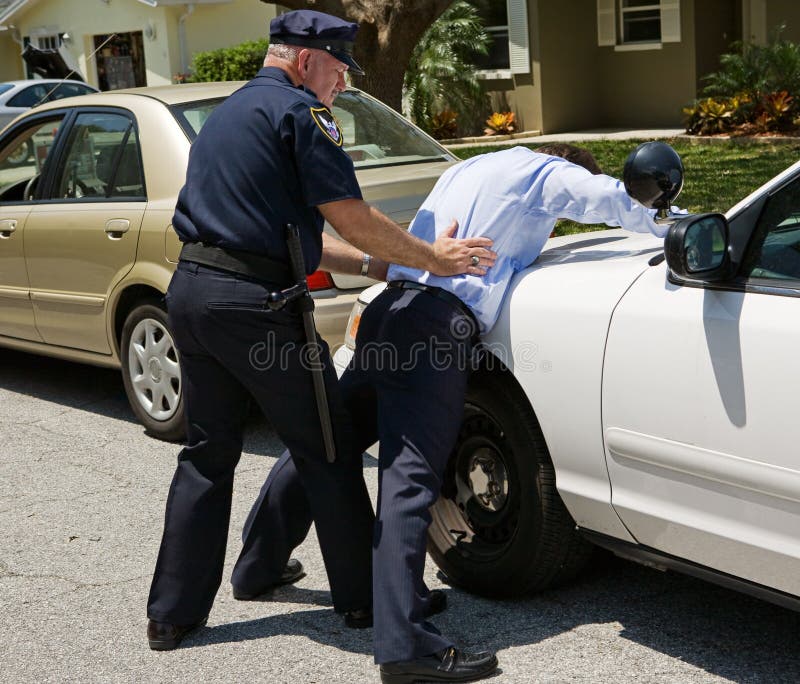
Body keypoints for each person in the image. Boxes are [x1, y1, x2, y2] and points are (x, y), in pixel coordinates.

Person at [238, 143, 672, 683]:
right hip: (437, 326)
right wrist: (676, 225)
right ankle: (405, 647)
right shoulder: (546, 170)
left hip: (389, 310)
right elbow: (610, 200)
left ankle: (257, 565)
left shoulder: (469, 169)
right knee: (410, 480)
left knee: (334, 441)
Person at [145, 9, 496, 652]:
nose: (342, 83)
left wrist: (378, 265)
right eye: (339, 68)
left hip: (193, 296)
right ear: (307, 59)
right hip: (257, 307)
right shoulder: (302, 115)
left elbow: (292, 238)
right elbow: (350, 214)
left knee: (206, 454)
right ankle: (366, 601)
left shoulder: (226, 115)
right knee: (330, 447)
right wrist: (434, 257)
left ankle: (171, 615)